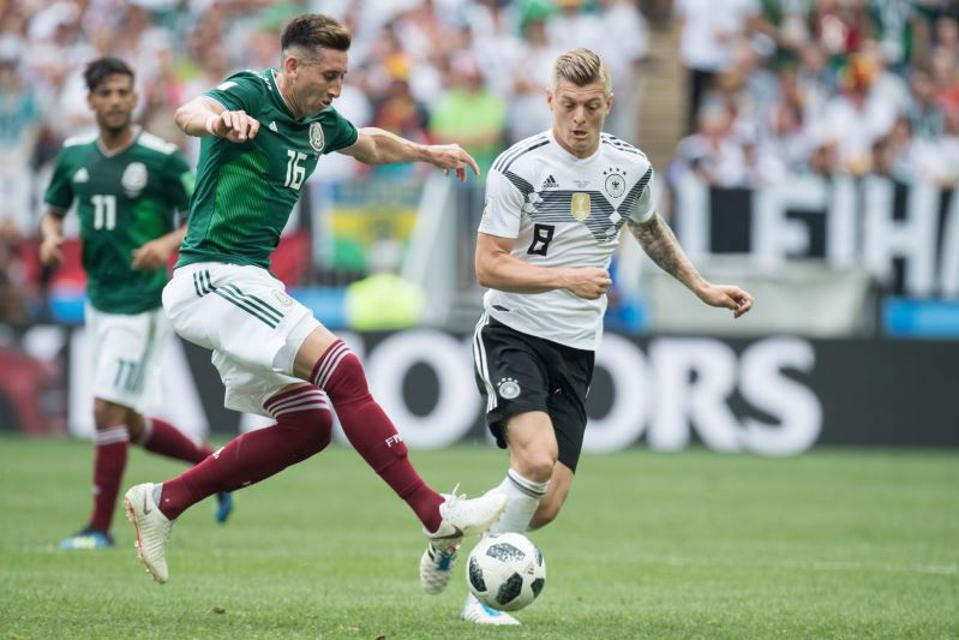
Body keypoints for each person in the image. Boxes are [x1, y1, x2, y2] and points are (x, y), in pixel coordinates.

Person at [122, 13, 507, 585]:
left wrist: (430, 153)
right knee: (343, 369)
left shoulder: (320, 121)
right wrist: (219, 120)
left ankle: (164, 501)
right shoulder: (251, 92)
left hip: (247, 283)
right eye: (329, 75)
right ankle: (435, 514)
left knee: (308, 427)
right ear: (292, 65)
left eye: (343, 76)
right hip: (212, 277)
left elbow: (370, 144)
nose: (337, 88)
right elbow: (189, 112)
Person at [418, 48, 755, 625]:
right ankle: (482, 601)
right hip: (512, 331)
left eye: (592, 106)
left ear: (609, 104)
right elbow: (488, 266)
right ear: (549, 100)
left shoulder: (630, 167)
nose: (579, 118)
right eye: (568, 105)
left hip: (577, 347)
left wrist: (700, 287)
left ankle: (450, 527)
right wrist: (564, 278)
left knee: (546, 503)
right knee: (536, 459)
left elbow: (649, 228)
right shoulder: (518, 167)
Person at [39, 57, 233, 551]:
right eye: (105, 93)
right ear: (91, 101)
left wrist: (165, 244)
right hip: (99, 300)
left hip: (142, 304)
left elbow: (203, 213)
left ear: (135, 97)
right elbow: (54, 210)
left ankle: (98, 529)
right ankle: (213, 466)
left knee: (105, 410)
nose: (115, 101)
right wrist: (50, 236)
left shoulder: (160, 158)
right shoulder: (74, 156)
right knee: (128, 421)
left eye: (123, 92)